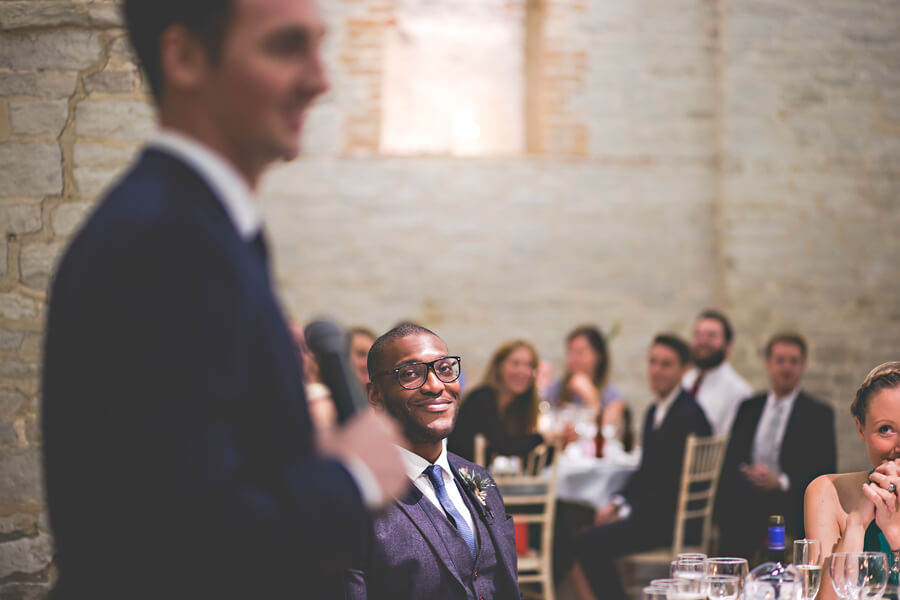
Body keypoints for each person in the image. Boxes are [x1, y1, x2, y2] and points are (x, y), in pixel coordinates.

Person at [40, 1, 408, 598]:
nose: (322, 80)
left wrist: (289, 451)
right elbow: (183, 542)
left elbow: (182, 467)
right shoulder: (163, 243)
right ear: (185, 57)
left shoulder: (204, 228)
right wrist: (353, 478)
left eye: (319, 46)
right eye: (286, 47)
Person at [345, 323, 520, 600]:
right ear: (375, 395)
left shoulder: (478, 478)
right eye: (411, 374)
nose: (436, 385)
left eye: (445, 369)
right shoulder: (355, 498)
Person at [568, 334, 711, 600]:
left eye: (666, 364)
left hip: (669, 520)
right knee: (582, 531)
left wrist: (625, 510)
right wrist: (618, 501)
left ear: (684, 370)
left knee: (587, 542)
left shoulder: (689, 417)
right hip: (654, 514)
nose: (656, 370)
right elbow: (647, 472)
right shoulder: (656, 411)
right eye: (653, 362)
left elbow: (667, 484)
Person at [716, 332, 836, 560]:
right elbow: (732, 457)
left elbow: (825, 468)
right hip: (747, 496)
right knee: (731, 504)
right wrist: (748, 472)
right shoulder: (749, 407)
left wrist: (780, 481)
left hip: (790, 500)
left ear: (802, 366)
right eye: (780, 360)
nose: (786, 368)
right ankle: (732, 576)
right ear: (768, 363)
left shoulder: (818, 414)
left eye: (793, 361)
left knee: (773, 518)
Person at [806, 362, 900, 600]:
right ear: (861, 429)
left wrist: (895, 533)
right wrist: (856, 523)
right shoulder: (828, 492)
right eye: (886, 429)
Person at [449, 339, 576, 464]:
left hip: (485, 479)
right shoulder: (481, 397)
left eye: (530, 365)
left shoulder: (518, 407)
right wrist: (543, 438)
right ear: (499, 366)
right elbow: (503, 445)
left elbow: (526, 463)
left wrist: (558, 446)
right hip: (457, 478)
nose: (523, 371)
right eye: (515, 364)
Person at [682, 309, 752, 435]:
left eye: (711, 336)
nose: (702, 342)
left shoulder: (738, 391)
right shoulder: (686, 380)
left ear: (728, 345)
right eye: (698, 335)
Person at [548, 325, 627, 433]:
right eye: (570, 352)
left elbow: (605, 433)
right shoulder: (558, 388)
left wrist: (591, 397)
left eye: (580, 352)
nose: (573, 359)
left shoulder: (612, 397)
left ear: (598, 356)